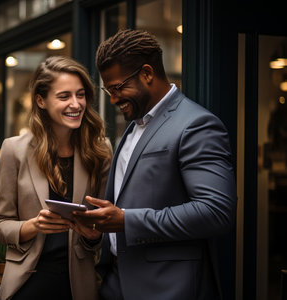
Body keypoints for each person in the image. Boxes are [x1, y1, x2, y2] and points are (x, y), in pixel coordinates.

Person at [73, 29, 237, 300]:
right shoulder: (134, 125)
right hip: (115, 284)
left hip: (168, 289)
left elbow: (216, 211)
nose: (113, 99)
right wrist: (98, 232)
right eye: (108, 90)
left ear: (147, 73)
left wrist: (127, 221)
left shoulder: (196, 124)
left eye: (117, 88)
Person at [0, 56, 112, 300]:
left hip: (78, 284)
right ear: (41, 100)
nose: (76, 104)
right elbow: (0, 225)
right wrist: (33, 226)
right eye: (64, 96)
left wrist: (94, 236)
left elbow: (104, 229)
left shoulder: (100, 150)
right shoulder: (14, 149)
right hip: (28, 282)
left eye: (81, 94)